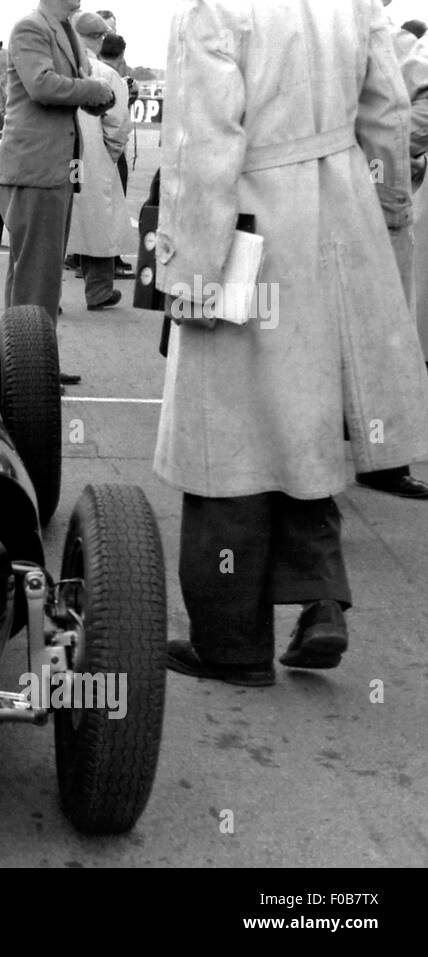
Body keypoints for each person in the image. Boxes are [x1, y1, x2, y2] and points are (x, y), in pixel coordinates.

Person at [157, 0, 428, 686]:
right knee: (309, 415)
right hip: (341, 213)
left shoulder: (212, 8)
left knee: (226, 440)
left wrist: (191, 272)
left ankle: (232, 643)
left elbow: (202, 144)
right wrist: (386, 212)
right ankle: (321, 596)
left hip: (247, 230)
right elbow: (389, 109)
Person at [0, 0, 114, 384]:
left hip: (53, 167)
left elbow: (70, 90)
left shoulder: (65, 28)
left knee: (36, 274)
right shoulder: (32, 28)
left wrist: (99, 98)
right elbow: (42, 85)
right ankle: (30, 374)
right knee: (35, 276)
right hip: (37, 168)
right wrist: (96, 88)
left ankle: (26, 362)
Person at [360, 1, 428, 498]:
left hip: (351, 187)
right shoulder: (377, 30)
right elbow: (401, 116)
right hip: (375, 192)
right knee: (384, 329)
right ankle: (380, 459)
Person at [65, 11, 130, 310]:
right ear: (99, 39)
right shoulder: (106, 74)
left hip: (64, 157)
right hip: (94, 159)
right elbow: (118, 125)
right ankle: (99, 290)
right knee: (100, 221)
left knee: (59, 221)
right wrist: (109, 155)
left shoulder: (60, 66)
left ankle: (47, 295)